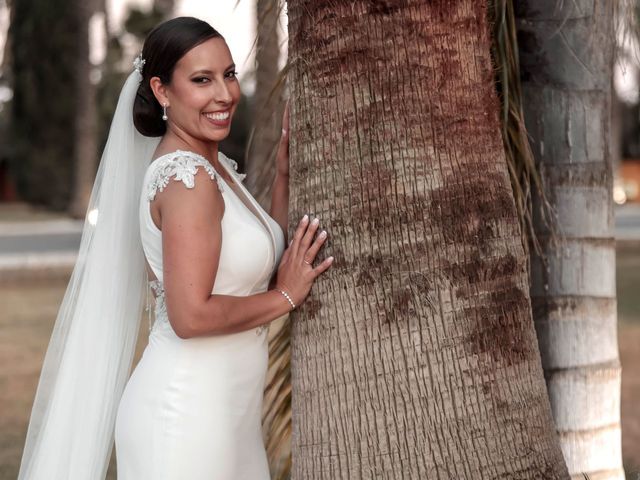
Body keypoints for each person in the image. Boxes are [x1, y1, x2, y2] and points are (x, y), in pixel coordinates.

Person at [18, 16, 333, 480]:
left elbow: (247, 267)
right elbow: (191, 316)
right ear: (162, 91)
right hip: (183, 413)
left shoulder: (215, 168)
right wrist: (286, 298)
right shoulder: (187, 180)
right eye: (201, 80)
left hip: (227, 412)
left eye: (227, 74)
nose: (224, 94)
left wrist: (285, 174)